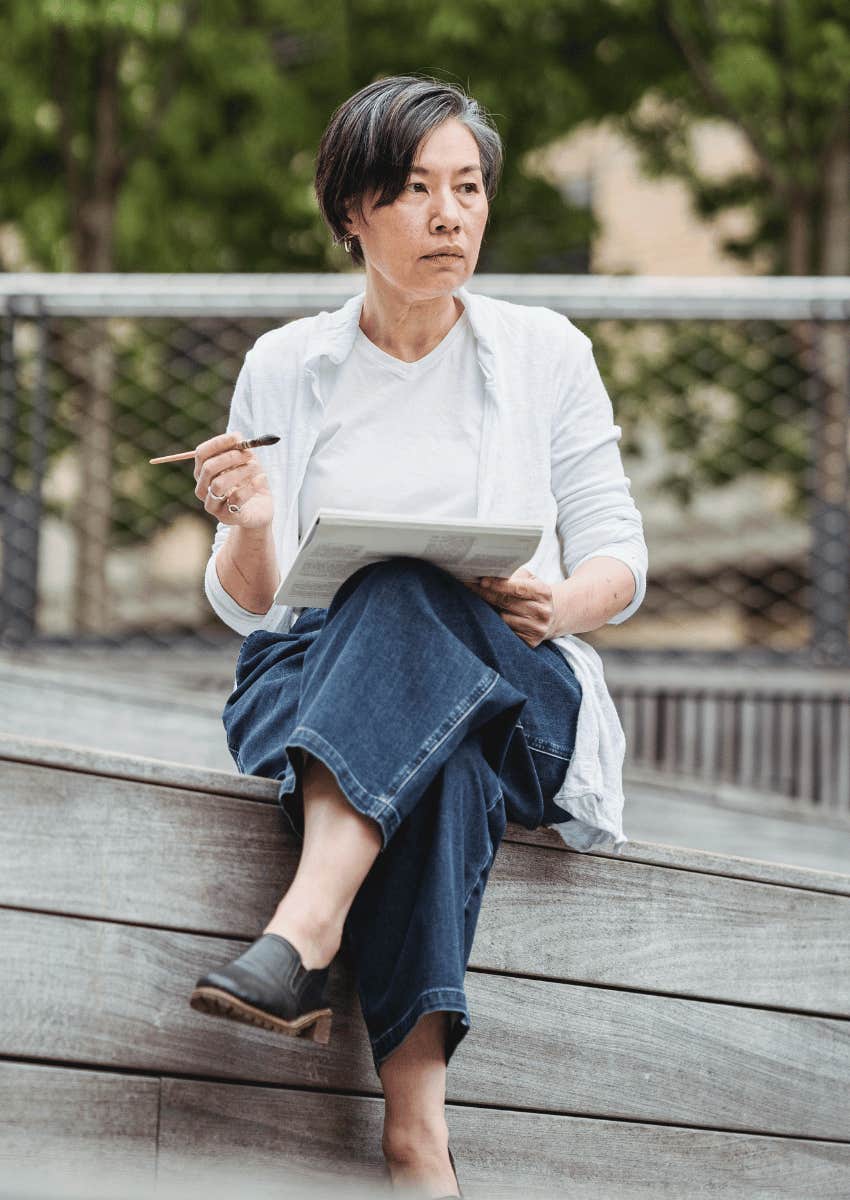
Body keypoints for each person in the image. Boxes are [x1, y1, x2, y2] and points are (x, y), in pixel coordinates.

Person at [188, 74, 648, 1199]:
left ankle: (304, 929)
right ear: (352, 212)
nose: (449, 216)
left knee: (412, 603)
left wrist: (561, 603)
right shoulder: (287, 365)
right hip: (315, 677)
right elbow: (255, 604)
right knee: (437, 752)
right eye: (412, 190)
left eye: (468, 188)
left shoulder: (544, 352)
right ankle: (416, 1145)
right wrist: (247, 522)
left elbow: (621, 557)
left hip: (521, 670)